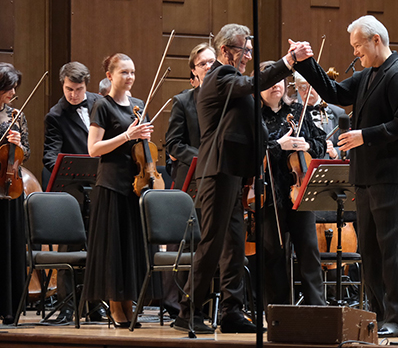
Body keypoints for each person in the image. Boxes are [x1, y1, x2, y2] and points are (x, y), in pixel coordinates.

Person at [174, 23, 312, 334]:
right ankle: (188, 310)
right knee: (212, 243)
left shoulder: (234, 83)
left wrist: (271, 144)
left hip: (234, 172)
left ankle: (231, 312)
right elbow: (252, 84)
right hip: (218, 170)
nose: (248, 56)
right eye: (243, 50)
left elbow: (253, 128)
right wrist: (288, 61)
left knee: (234, 246)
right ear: (225, 50)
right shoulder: (220, 76)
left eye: (250, 50)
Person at [295, 15, 398, 338]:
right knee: (370, 250)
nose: (355, 53)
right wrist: (306, 63)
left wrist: (364, 135)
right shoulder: (368, 75)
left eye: (357, 46)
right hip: (366, 176)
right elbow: (335, 92)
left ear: (376, 40)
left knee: (391, 249)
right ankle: (379, 315)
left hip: (392, 177)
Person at [83, 53, 154, 328]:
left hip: (135, 186)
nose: (130, 77)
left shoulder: (138, 106)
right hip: (111, 185)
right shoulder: (102, 105)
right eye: (124, 72)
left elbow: (143, 146)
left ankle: (128, 303)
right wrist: (127, 135)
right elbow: (93, 149)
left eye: (132, 72)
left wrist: (143, 137)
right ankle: (115, 306)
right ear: (110, 76)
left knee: (130, 249)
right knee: (115, 248)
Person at [42, 61, 104, 324]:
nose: (74, 94)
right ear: (62, 84)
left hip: (100, 185)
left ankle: (95, 305)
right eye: (69, 89)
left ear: (86, 86)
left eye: (78, 89)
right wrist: (71, 166)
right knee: (71, 246)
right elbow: (49, 156)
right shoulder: (56, 115)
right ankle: (67, 306)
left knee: (97, 246)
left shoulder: (100, 103)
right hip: (73, 190)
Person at [260, 62, 326, 306]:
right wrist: (279, 145)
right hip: (270, 193)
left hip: (300, 193)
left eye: (279, 80)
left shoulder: (299, 110)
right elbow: (252, 151)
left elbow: (321, 143)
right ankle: (279, 311)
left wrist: (307, 145)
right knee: (274, 255)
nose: (275, 85)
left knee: (309, 252)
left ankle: (317, 309)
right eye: (269, 82)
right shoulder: (254, 116)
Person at [165, 43, 215, 194]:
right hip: (193, 176)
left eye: (212, 62)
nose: (208, 66)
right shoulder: (183, 101)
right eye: (202, 64)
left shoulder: (231, 98)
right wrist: (203, 158)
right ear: (194, 71)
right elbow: (173, 143)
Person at [0, 64, 28, 325]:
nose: (12, 93)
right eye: (8, 88)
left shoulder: (16, 115)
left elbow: (26, 152)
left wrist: (18, 145)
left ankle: (11, 307)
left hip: (12, 186)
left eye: (14, 88)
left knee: (11, 245)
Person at [294, 72, 347, 159]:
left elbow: (349, 146)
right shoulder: (292, 113)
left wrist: (335, 152)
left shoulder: (338, 113)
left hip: (328, 165)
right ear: (296, 87)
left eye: (311, 87)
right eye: (302, 87)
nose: (307, 91)